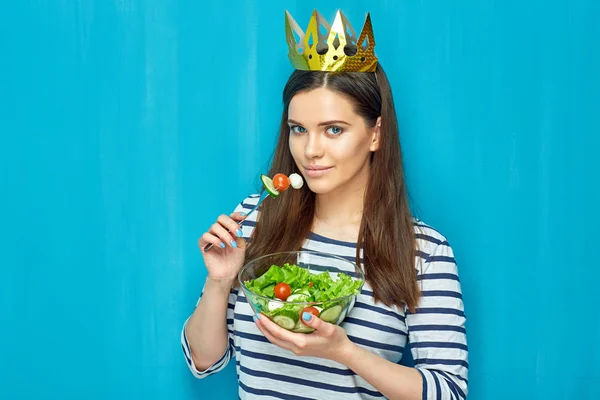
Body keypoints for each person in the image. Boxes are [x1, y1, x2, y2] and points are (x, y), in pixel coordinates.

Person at [181, 10, 468, 400]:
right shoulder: (254, 220)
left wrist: (344, 351)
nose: (311, 150)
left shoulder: (423, 251)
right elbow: (203, 360)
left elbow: (448, 392)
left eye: (334, 129)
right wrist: (218, 282)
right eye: (299, 129)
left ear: (375, 134)